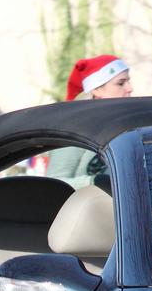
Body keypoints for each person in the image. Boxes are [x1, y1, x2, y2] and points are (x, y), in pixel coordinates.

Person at [47, 54, 134, 189]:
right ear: (97, 89)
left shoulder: (129, 126)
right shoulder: (75, 127)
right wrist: (94, 182)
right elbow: (52, 184)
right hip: (84, 208)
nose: (130, 88)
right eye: (121, 83)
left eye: (128, 81)